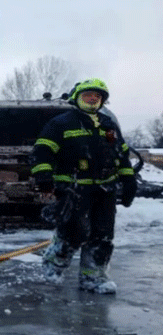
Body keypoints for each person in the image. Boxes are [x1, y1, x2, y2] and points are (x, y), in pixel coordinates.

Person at [30, 78, 137, 294]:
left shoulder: (108, 125)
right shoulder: (61, 123)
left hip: (105, 190)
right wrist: (44, 177)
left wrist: (129, 180)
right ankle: (54, 264)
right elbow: (42, 151)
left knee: (103, 235)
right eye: (88, 95)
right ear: (76, 98)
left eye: (97, 96)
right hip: (73, 189)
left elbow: (122, 154)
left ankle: (93, 278)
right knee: (74, 232)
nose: (92, 99)